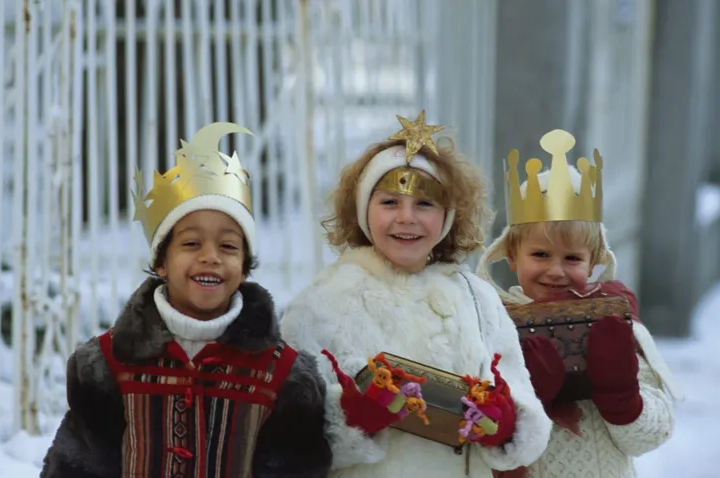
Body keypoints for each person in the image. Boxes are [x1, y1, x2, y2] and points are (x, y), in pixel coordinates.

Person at [40, 122, 332, 478]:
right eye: (191, 243)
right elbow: (77, 469)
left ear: (245, 267)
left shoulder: (283, 376)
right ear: (161, 262)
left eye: (228, 246)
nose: (210, 257)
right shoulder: (106, 365)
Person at [279, 112, 551, 477]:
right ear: (362, 210)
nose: (407, 217)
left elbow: (524, 408)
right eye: (390, 202)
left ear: (448, 215)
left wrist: (506, 425)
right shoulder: (318, 307)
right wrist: (351, 417)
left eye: (424, 204)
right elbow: (288, 442)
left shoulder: (478, 299)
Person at [476, 129, 684, 477]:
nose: (555, 271)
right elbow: (470, 431)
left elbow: (654, 433)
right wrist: (523, 396)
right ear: (511, 255)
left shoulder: (612, 322)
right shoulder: (489, 323)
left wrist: (622, 396)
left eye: (572, 258)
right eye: (540, 255)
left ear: (594, 261)